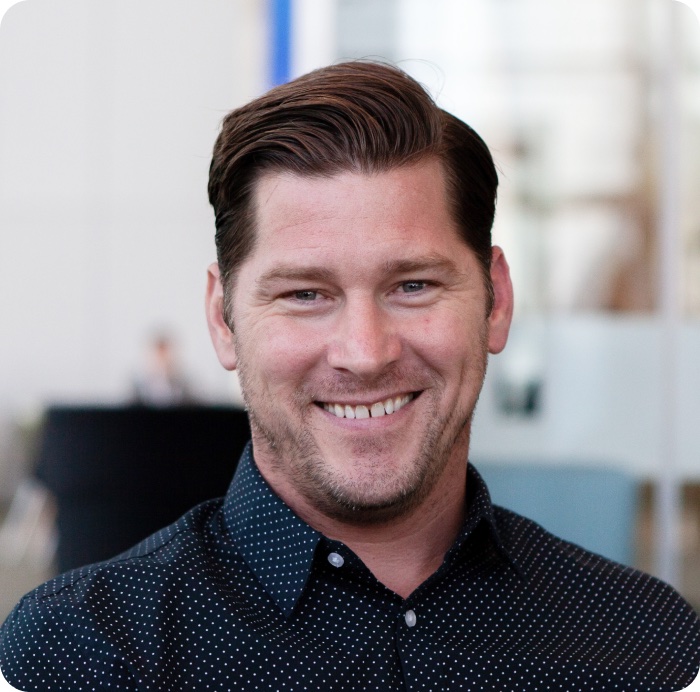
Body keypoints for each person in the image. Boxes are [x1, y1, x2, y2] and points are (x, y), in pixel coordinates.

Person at [1, 61, 699, 691]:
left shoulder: (650, 646)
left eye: (414, 286)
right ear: (223, 319)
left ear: (496, 302)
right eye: (305, 294)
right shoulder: (74, 658)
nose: (365, 353)